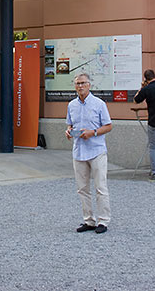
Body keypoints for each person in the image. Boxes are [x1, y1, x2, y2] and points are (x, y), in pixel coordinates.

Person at [65, 73, 112, 234]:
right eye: (77, 83)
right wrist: (69, 131)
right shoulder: (71, 105)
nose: (80, 86)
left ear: (89, 85)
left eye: (83, 83)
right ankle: (88, 220)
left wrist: (94, 132)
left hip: (96, 149)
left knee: (100, 187)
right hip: (79, 151)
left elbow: (108, 126)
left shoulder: (99, 104)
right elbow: (70, 124)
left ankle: (103, 221)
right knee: (82, 189)